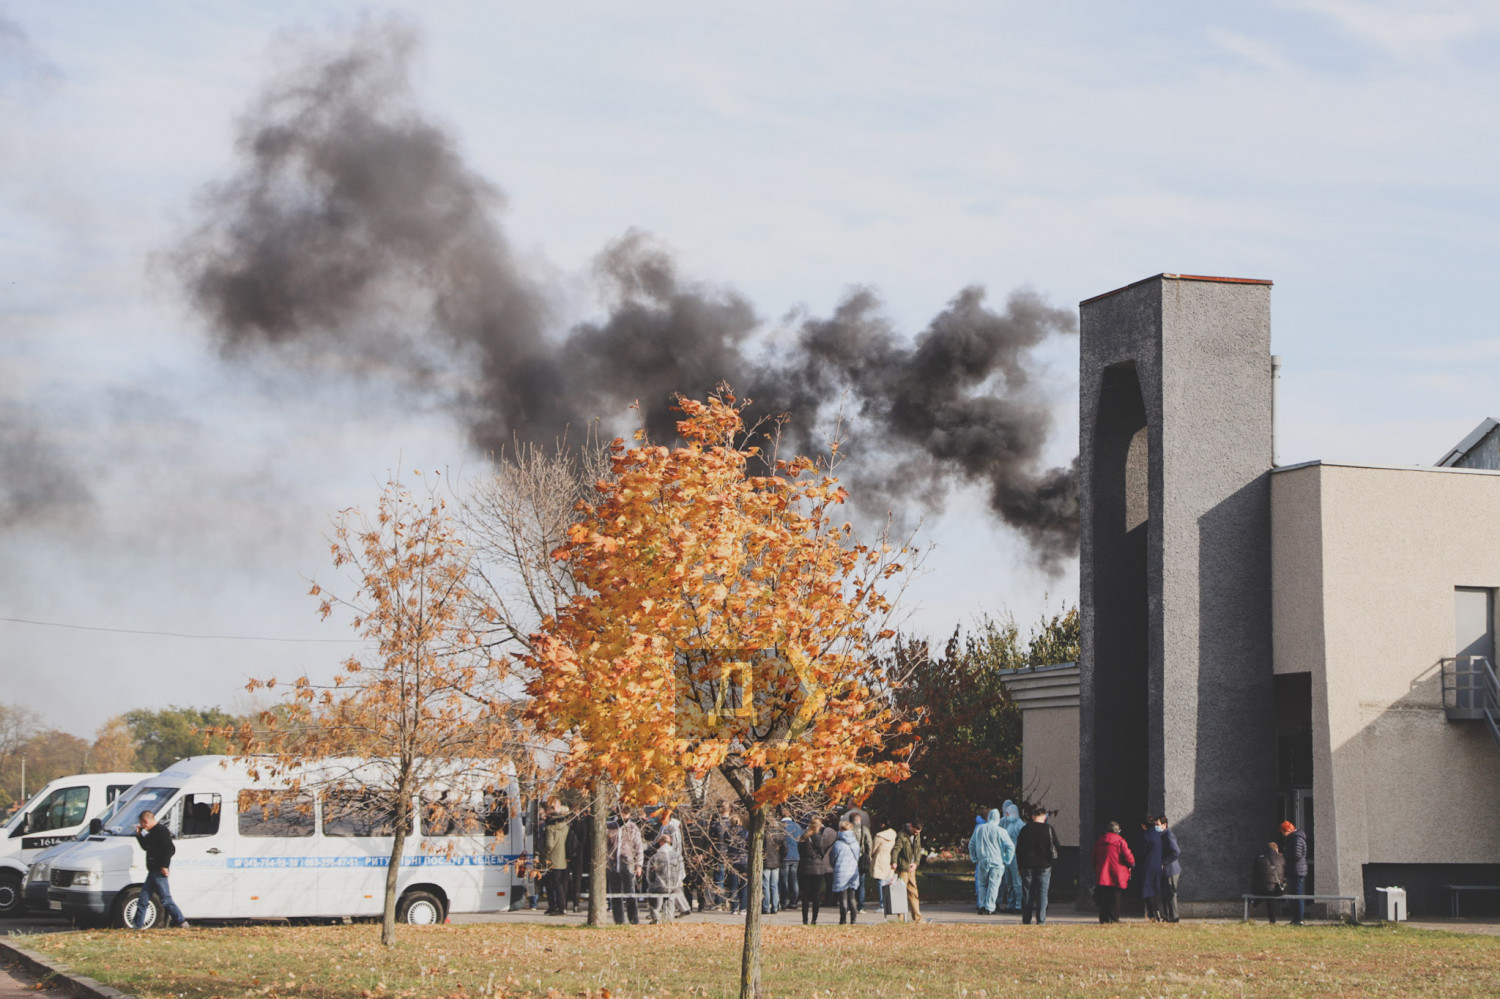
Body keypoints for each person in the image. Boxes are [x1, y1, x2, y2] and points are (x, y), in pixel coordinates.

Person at [133, 810, 187, 929]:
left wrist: (164, 866)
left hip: (159, 871)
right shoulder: (152, 832)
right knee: (143, 899)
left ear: (145, 821)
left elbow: (169, 849)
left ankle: (181, 921)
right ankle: (137, 926)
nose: (143, 826)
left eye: (143, 824)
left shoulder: (161, 831)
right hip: (152, 871)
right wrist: (139, 835)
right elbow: (146, 846)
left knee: (166, 899)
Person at [1014, 805, 1061, 925]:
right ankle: (1040, 919)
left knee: (1027, 893)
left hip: (1027, 865)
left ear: (1032, 816)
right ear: (1044, 817)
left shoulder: (1025, 829)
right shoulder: (1049, 829)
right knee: (1042, 893)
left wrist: (1019, 866)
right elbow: (1057, 846)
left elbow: (1019, 849)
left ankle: (1026, 919)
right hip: (1044, 865)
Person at [967, 808, 1015, 915]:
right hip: (997, 861)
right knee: (994, 884)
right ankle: (990, 907)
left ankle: (982, 905)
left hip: (982, 860)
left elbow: (971, 844)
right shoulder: (1001, 831)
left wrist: (974, 858)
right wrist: (1006, 860)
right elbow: (1010, 846)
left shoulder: (979, 829)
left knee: (982, 884)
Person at [607, 807, 645, 925]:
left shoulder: (633, 828)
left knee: (630, 892)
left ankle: (633, 919)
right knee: (615, 893)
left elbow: (638, 847)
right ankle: (618, 920)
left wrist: (639, 864)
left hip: (627, 863)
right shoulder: (609, 826)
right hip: (612, 864)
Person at [1092, 820, 1134, 924]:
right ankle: (1114, 918)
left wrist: (1096, 868)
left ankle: (1103, 918)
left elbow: (1094, 858)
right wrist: (1131, 864)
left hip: (1103, 874)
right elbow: (1129, 858)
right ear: (1118, 831)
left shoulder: (1100, 841)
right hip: (1117, 874)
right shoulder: (1120, 841)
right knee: (1115, 898)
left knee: (1104, 898)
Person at [797, 816, 835, 924]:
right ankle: (814, 919)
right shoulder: (819, 838)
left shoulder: (803, 837)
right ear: (818, 826)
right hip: (817, 868)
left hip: (804, 868)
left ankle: (805, 919)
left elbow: (801, 852)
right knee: (815, 896)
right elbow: (822, 853)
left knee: (805, 895)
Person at [646, 833, 689, 923]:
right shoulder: (678, 856)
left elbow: (650, 875)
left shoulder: (655, 857)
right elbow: (682, 873)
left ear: (661, 843)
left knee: (652, 892)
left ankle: (655, 917)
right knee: (671, 896)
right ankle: (668, 918)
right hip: (674, 886)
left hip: (660, 886)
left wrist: (652, 883)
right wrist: (677, 882)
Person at [541, 799, 572, 915]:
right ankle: (561, 906)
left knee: (551, 884)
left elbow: (549, 844)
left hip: (551, 859)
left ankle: (555, 906)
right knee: (559, 884)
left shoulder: (550, 829)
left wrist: (544, 855)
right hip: (562, 858)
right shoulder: (565, 827)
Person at [893, 820, 925, 924]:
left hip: (911, 868)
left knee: (914, 893)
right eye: (915, 831)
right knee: (900, 893)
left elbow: (918, 849)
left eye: (918, 833)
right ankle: (900, 919)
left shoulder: (917, 836)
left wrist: (916, 863)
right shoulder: (901, 835)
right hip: (903, 868)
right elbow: (896, 849)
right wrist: (893, 862)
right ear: (910, 826)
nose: (916, 834)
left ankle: (917, 918)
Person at [831, 820, 862, 924]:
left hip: (841, 871)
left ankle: (843, 919)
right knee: (852, 897)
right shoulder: (855, 843)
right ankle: (853, 919)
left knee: (843, 898)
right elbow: (857, 857)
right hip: (853, 871)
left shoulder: (838, 844)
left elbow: (833, 858)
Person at [997, 800, 1025, 912]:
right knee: (1010, 882)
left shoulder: (1020, 825)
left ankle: (1019, 905)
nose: (1007, 815)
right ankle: (1011, 904)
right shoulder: (1010, 824)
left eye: (1008, 813)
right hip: (1009, 856)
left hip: (1016, 856)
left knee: (1017, 881)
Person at [1280, 820, 1309, 925]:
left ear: (1288, 830)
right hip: (1296, 870)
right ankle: (1297, 918)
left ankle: (1299, 919)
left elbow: (1296, 855)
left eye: (1283, 832)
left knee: (1297, 895)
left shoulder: (1297, 839)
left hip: (1297, 870)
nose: (1283, 835)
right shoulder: (1295, 839)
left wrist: (1284, 854)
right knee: (1295, 895)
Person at [1250, 840, 1286, 924]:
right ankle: (1272, 920)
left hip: (1260, 888)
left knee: (1267, 890)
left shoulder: (1259, 858)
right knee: (1270, 891)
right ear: (1276, 849)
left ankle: (1255, 903)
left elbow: (1254, 872)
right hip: (1277, 890)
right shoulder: (1281, 858)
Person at [1138, 815, 1163, 921]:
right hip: (1157, 866)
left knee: (1147, 891)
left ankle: (1152, 914)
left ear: (1144, 825)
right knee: (1155, 890)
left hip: (1148, 866)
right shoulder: (1158, 835)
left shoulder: (1146, 836)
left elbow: (1142, 853)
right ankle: (1157, 912)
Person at [848, 812, 874, 911]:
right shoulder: (865, 829)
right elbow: (869, 843)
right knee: (861, 883)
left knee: (850, 882)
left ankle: (850, 906)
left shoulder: (849, 829)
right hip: (861, 858)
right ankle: (861, 906)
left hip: (851, 858)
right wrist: (868, 855)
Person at [725, 813, 749, 914]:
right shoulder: (746, 832)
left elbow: (725, 844)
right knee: (743, 885)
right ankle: (743, 908)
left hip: (732, 859)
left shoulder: (728, 833)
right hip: (744, 859)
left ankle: (734, 907)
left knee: (733, 884)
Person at [761, 816, 786, 915]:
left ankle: (766, 907)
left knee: (766, 885)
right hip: (776, 862)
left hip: (766, 862)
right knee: (774, 885)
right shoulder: (780, 834)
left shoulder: (764, 834)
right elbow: (785, 849)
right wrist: (780, 858)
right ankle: (775, 906)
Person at [779, 809, 803, 911]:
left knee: (784, 880)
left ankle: (784, 901)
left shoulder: (781, 826)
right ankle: (794, 902)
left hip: (784, 856)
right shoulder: (797, 826)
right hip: (795, 855)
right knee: (794, 880)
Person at [1158, 815, 1181, 923]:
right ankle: (1167, 916)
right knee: (1165, 894)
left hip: (1171, 870)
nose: (1156, 827)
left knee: (1171, 894)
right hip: (1165, 871)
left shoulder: (1168, 835)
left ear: (1164, 825)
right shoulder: (1162, 835)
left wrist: (1164, 862)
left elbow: (1176, 852)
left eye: (1158, 825)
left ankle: (1174, 917)